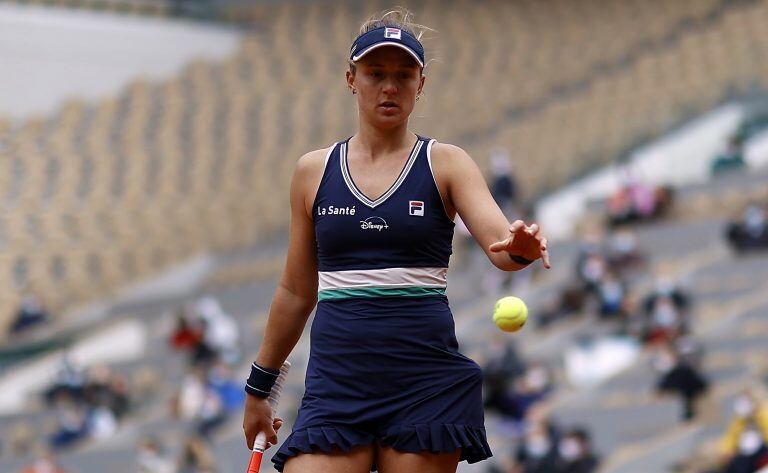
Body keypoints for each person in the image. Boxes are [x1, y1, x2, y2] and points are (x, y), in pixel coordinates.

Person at [242, 8, 550, 473]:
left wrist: (520, 248)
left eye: (404, 75)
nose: (390, 87)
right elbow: (295, 291)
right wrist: (259, 389)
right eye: (376, 74)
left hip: (423, 385)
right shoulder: (313, 171)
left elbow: (500, 246)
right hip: (338, 386)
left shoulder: (445, 162)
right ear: (351, 78)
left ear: (420, 84)